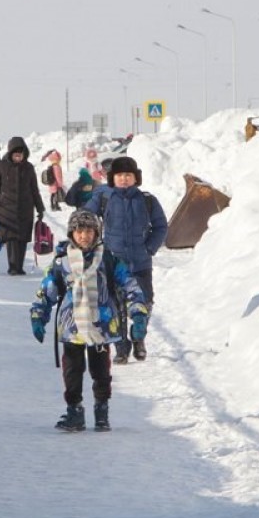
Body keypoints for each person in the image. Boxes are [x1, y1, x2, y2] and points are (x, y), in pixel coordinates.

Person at [30, 209, 149, 432]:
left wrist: (138, 313)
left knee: (101, 371)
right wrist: (39, 315)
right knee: (72, 370)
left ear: (97, 233)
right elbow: (48, 290)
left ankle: (101, 410)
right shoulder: (62, 262)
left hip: (101, 326)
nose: (84, 236)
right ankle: (74, 410)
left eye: (89, 231)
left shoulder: (108, 260)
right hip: (72, 326)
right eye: (79, 231)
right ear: (71, 234)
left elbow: (130, 286)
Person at [83, 155, 167, 364]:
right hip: (113, 263)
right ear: (113, 178)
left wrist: (149, 248)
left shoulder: (147, 200)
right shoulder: (104, 198)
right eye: (120, 175)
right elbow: (85, 219)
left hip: (140, 263)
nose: (124, 179)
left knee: (144, 304)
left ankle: (139, 338)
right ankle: (121, 348)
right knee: (115, 307)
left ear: (135, 178)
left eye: (128, 175)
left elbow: (161, 226)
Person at [0, 136, 45, 275]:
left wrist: (40, 208)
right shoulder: (1, 166)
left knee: (22, 238)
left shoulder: (28, 168)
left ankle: (19, 266)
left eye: (21, 154)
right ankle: (12, 266)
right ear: (11, 153)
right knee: (10, 238)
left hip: (25, 208)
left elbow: (34, 189)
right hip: (6, 209)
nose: (18, 156)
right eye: (16, 154)